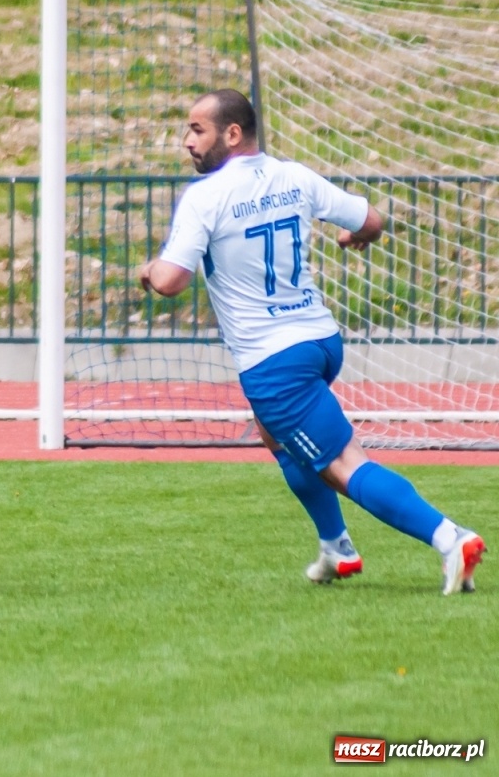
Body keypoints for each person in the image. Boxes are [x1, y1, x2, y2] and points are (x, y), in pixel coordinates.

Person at [139, 89, 483, 595]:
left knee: (344, 465)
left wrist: (149, 269)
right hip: (319, 341)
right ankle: (335, 548)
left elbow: (171, 280)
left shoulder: (205, 197)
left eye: (197, 130)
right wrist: (357, 236)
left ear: (231, 134)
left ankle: (450, 538)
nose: (187, 141)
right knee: (277, 438)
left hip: (273, 360)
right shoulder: (294, 176)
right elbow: (371, 220)